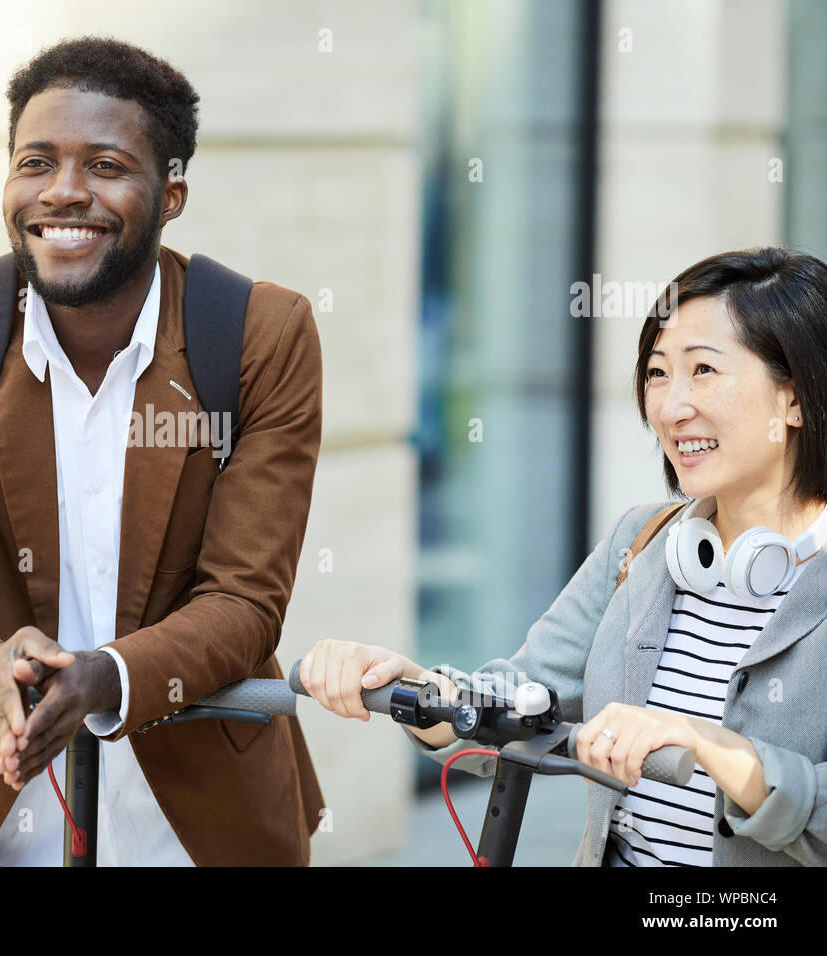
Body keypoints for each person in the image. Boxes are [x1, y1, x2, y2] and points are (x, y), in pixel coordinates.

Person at [0, 35, 325, 866]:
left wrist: (103, 679)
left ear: (172, 191)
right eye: (36, 162)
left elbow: (246, 599)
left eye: (107, 166)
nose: (64, 193)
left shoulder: (261, 334)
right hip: (7, 817)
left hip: (203, 824)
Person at [301, 247, 827, 866]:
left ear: (794, 398)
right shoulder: (645, 545)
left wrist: (714, 749)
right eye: (658, 373)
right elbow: (516, 703)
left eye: (704, 370)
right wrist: (411, 683)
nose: (671, 406)